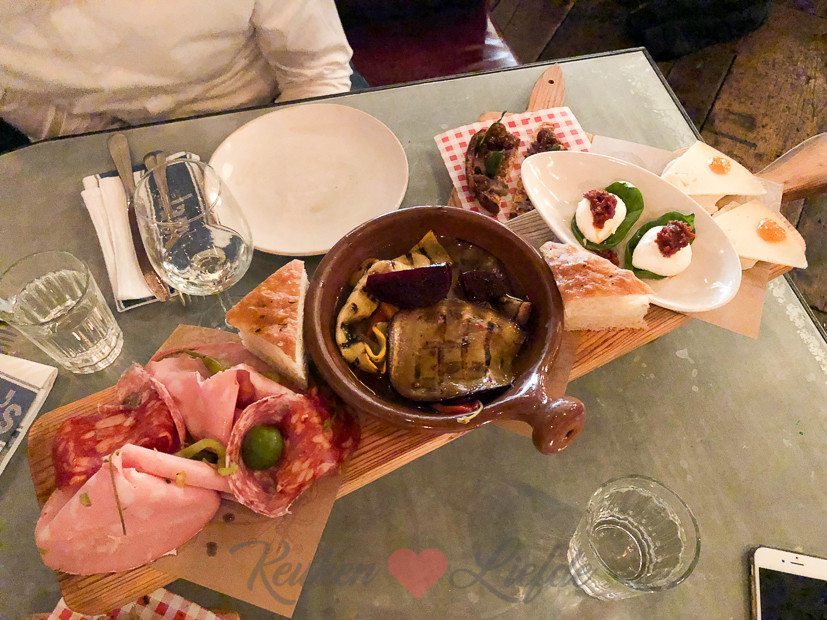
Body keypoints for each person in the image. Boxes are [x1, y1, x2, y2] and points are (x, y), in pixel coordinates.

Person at [0, 0, 355, 142]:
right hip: (136, 146)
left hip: (279, 106)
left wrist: (296, 150)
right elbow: (63, 131)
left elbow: (316, 70)